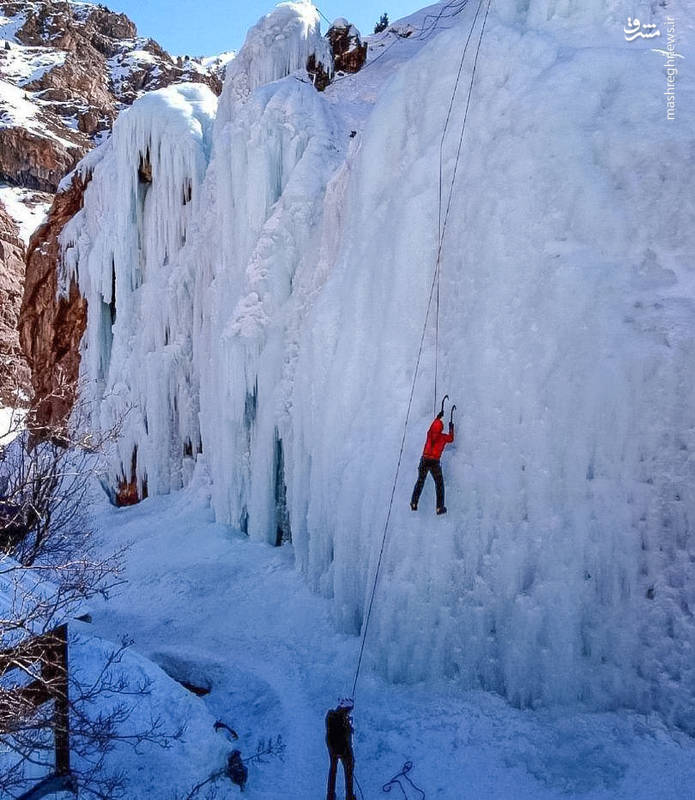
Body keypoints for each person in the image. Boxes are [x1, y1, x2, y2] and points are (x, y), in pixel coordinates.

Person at [410, 410, 454, 514]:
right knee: (439, 484)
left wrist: (438, 417)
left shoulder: (429, 434)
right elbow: (451, 439)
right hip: (434, 462)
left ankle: (414, 503)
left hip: (424, 460)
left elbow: (433, 426)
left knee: (420, 482)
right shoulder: (442, 437)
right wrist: (451, 427)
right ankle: (439, 507)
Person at [325, 697, 355, 800]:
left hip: (332, 749)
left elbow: (330, 735)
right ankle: (349, 796)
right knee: (349, 772)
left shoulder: (330, 716)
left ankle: (330, 795)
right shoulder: (341, 719)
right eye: (350, 709)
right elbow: (341, 735)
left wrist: (348, 726)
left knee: (333, 771)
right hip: (342, 750)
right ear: (345, 709)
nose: (350, 711)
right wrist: (349, 728)